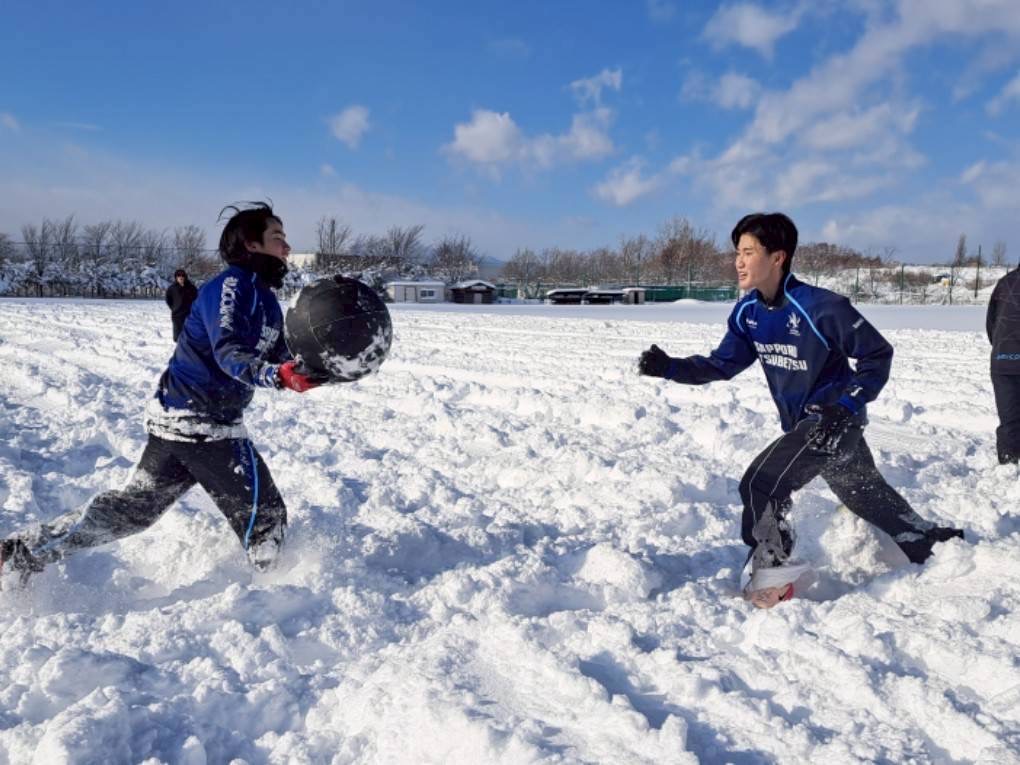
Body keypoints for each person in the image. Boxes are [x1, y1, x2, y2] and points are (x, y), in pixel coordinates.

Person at [638, 212, 964, 608]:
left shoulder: (822, 306)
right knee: (864, 493)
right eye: (737, 253)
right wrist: (670, 367)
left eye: (748, 252)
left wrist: (846, 406)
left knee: (761, 483)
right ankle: (928, 541)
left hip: (833, 420)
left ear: (777, 257)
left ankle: (771, 574)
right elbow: (721, 364)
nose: (738, 261)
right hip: (807, 425)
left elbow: (877, 354)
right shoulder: (748, 312)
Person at [0, 202, 324, 585]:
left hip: (181, 419)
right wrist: (277, 376)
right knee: (266, 516)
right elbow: (229, 352)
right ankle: (277, 595)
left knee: (134, 511)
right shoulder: (233, 287)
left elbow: (281, 356)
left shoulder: (265, 299)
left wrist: (320, 367)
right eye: (277, 237)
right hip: (202, 422)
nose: (287, 247)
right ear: (252, 245)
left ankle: (21, 552)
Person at [986, 265, 1020, 464]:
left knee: (1009, 419)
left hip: (1003, 360)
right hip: (1005, 360)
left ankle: (1008, 462)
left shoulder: (1005, 283)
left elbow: (991, 323)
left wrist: (1002, 348)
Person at [165, 268, 199, 342]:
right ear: (176, 277)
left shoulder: (191, 287)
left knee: (189, 334)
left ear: (185, 276)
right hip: (177, 314)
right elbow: (168, 299)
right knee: (178, 335)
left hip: (189, 314)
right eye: (178, 275)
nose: (181, 277)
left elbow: (197, 299)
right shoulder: (172, 288)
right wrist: (174, 307)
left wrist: (194, 309)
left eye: (182, 275)